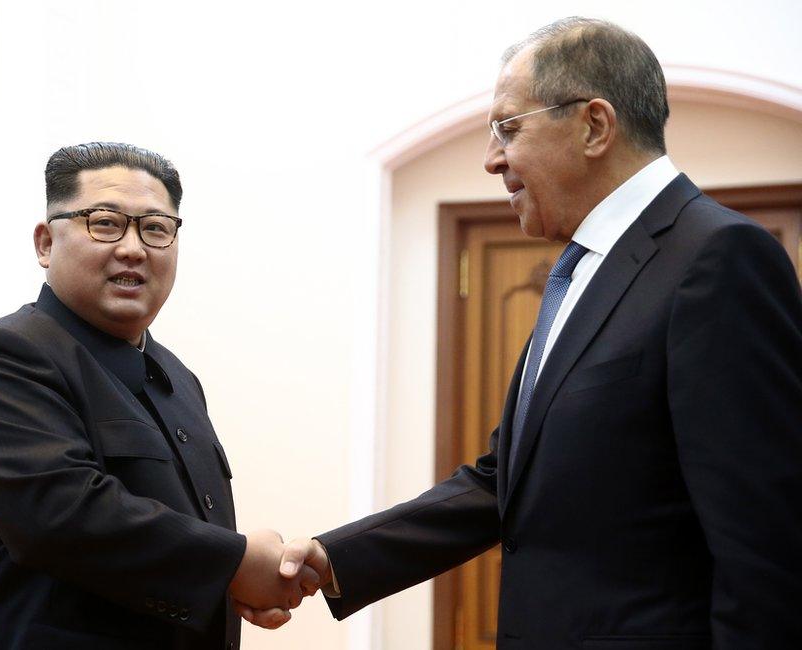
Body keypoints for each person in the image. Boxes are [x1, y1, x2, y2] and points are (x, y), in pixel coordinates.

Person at [274, 18, 802, 649]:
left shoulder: (718, 258)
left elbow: (766, 546)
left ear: (595, 126)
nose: (492, 158)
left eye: (508, 127)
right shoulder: (581, 271)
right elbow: (504, 481)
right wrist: (333, 559)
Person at [0, 142, 316, 649]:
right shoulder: (3, 356)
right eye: (105, 222)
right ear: (45, 244)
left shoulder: (178, 377)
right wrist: (236, 564)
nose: (133, 247)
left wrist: (237, 581)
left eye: (156, 228)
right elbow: (64, 517)